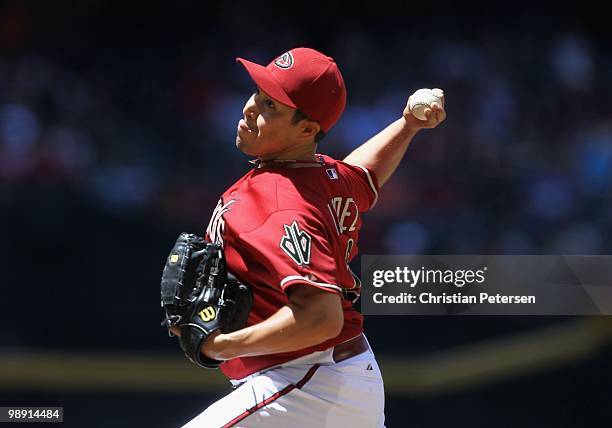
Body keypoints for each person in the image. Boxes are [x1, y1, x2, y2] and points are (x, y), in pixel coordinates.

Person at [173, 47, 446, 428]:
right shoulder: (321, 175)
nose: (250, 108)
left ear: (306, 130)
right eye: (258, 94)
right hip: (331, 381)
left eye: (271, 106)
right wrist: (407, 126)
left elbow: (320, 317)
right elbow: (363, 174)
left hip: (308, 382)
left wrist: (219, 346)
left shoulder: (282, 202)